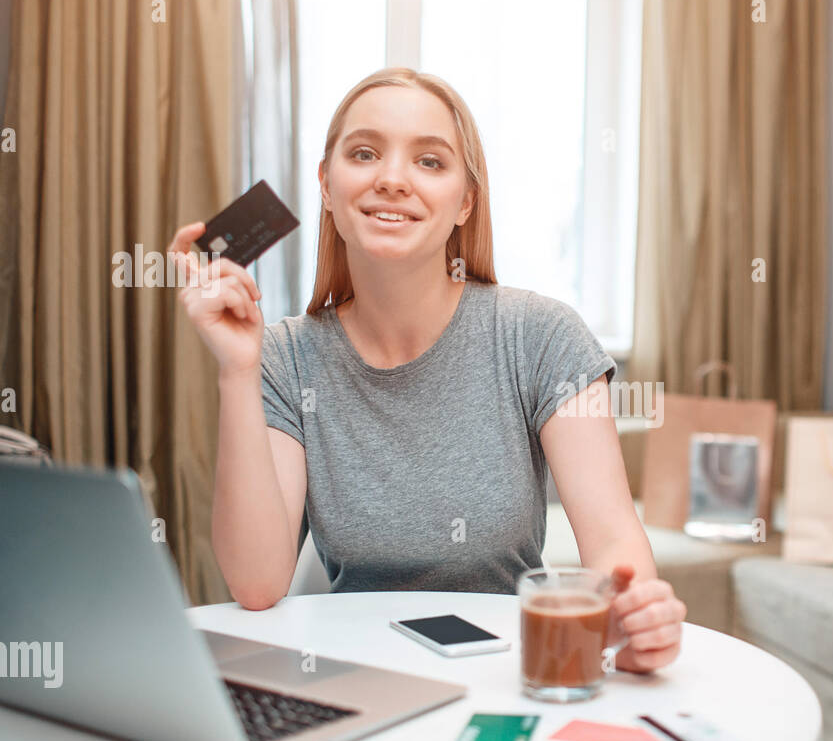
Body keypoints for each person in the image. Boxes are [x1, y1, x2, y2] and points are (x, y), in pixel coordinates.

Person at [167, 68, 683, 673]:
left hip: (506, 673)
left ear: (465, 202)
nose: (392, 179)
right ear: (326, 185)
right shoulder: (284, 356)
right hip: (349, 676)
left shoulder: (541, 336)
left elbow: (615, 542)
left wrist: (632, 617)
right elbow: (256, 586)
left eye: (430, 162)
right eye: (364, 153)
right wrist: (236, 371)